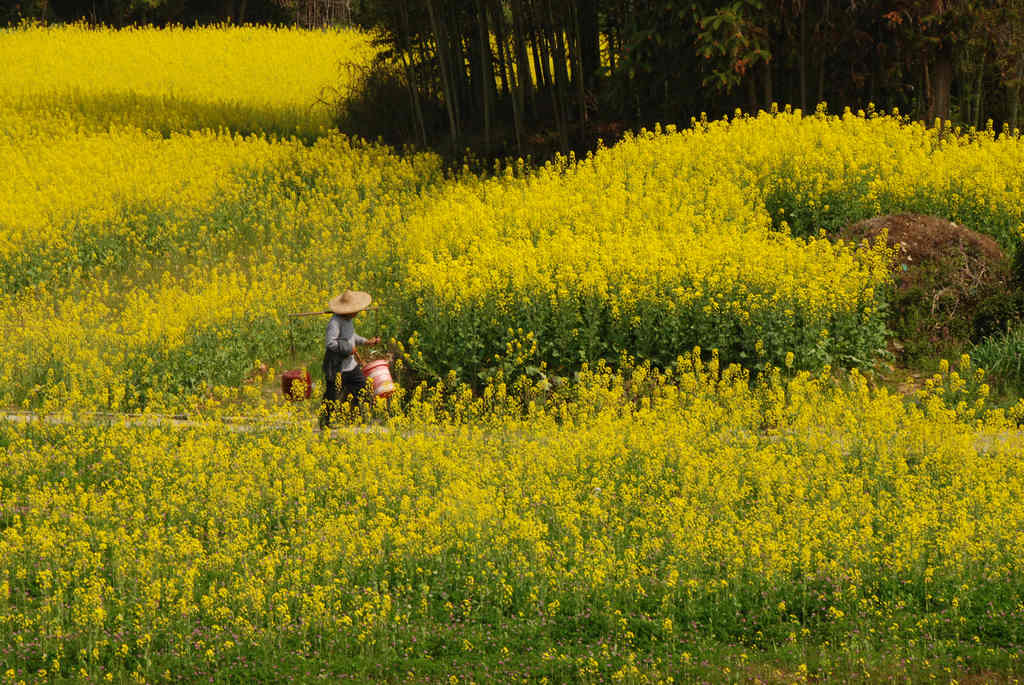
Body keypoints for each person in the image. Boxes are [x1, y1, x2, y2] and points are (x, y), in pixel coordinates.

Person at [318, 289, 379, 429]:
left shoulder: (349, 320)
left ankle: (356, 416)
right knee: (331, 395)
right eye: (354, 310)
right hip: (336, 366)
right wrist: (347, 349)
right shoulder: (335, 322)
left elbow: (352, 336)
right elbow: (330, 343)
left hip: (350, 365)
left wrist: (366, 341)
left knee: (362, 387)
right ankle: (324, 423)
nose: (357, 312)